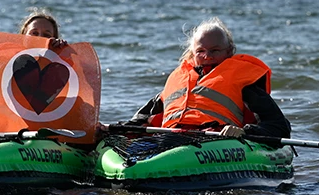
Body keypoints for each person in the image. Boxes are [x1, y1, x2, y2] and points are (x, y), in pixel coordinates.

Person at [123, 17, 290, 138]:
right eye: (201, 51)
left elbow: (278, 126)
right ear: (193, 52)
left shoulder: (243, 81)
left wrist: (245, 131)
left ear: (229, 51)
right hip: (171, 137)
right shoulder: (179, 78)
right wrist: (116, 129)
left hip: (217, 141)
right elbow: (143, 118)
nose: (207, 56)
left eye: (215, 50)